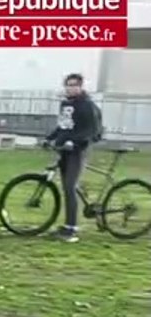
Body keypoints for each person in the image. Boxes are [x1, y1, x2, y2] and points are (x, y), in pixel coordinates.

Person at [43, 73, 101, 243]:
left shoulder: (87, 105)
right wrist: (50, 138)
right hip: (65, 150)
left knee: (69, 187)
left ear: (81, 87)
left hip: (77, 150)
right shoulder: (65, 104)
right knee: (68, 188)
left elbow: (91, 131)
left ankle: (72, 229)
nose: (70, 88)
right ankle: (68, 224)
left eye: (74, 85)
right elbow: (63, 126)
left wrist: (74, 142)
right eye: (68, 85)